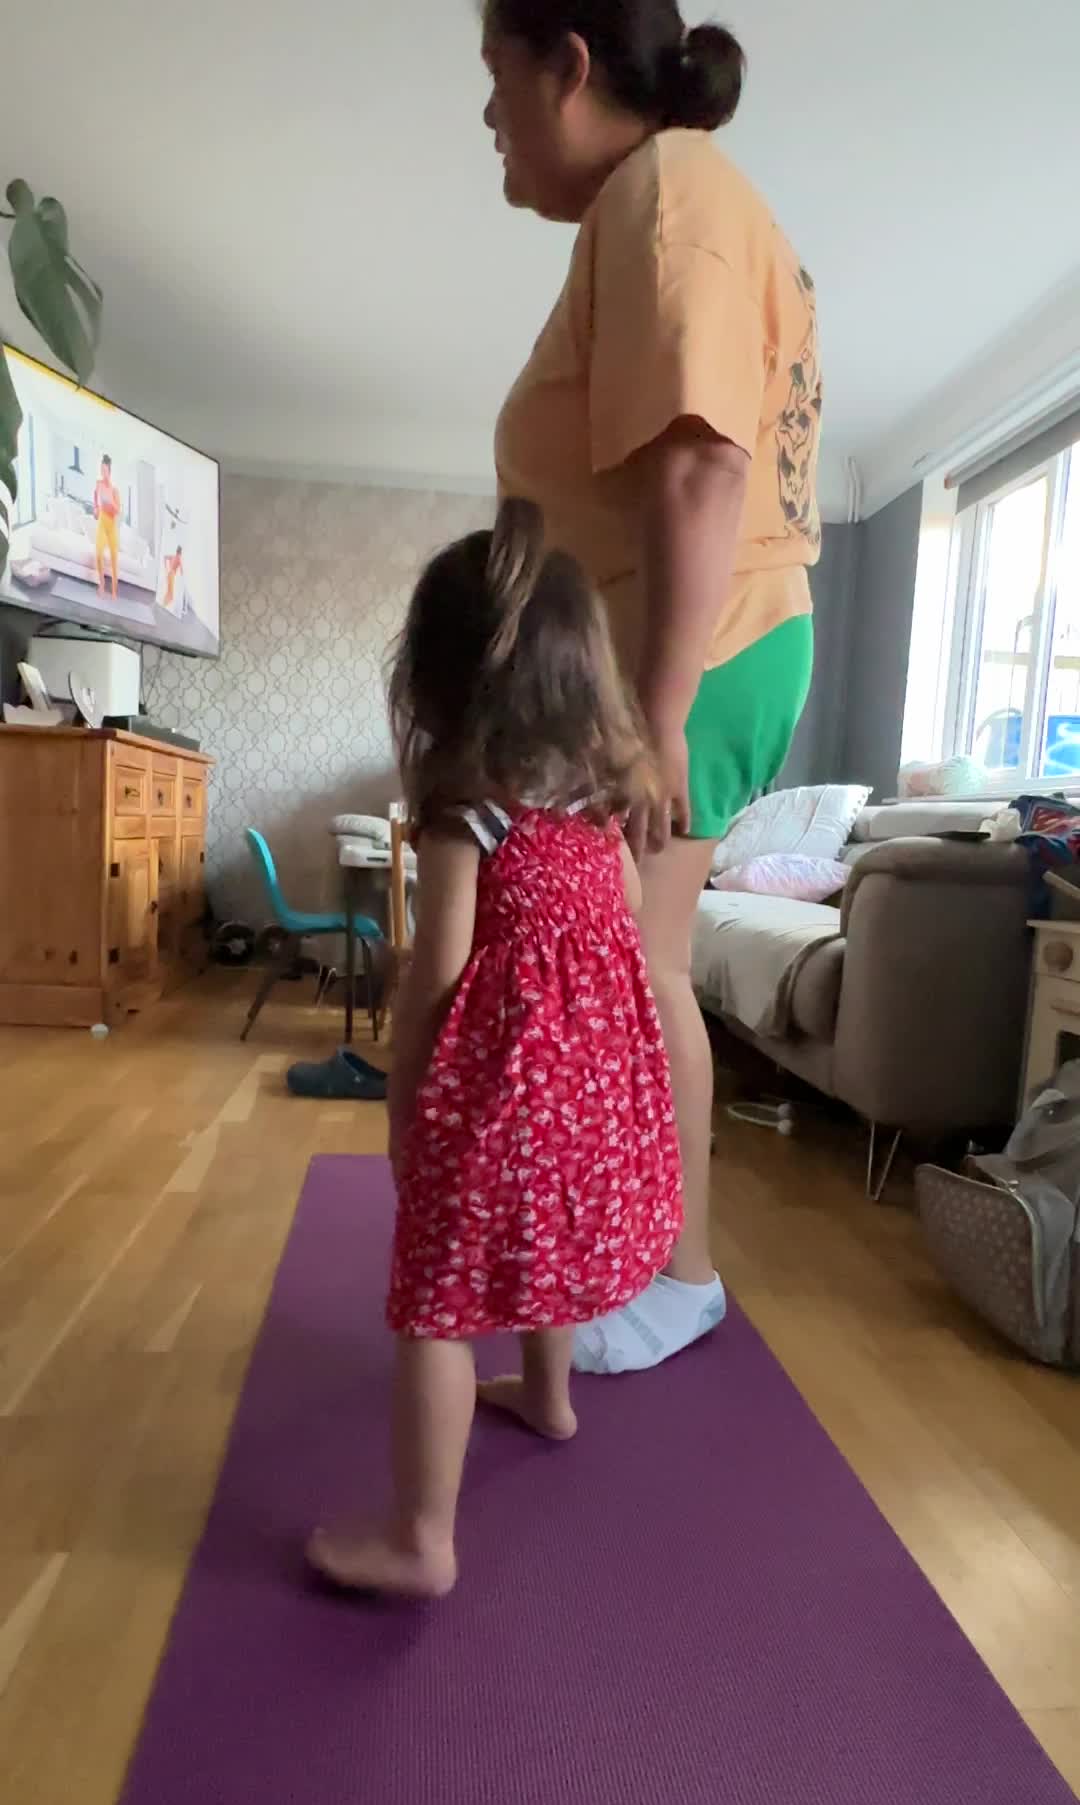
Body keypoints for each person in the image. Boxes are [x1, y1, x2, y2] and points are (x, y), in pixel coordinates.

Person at [483, 0, 822, 1373]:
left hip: (703, 649)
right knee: (634, 965)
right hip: (695, 646)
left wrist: (659, 716)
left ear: (568, 65)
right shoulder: (657, 203)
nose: (488, 117)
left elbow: (700, 464)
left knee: (634, 968)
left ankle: (673, 1277)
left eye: (496, 77)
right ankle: (649, 1266)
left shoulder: (667, 193)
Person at [307, 499, 682, 1599]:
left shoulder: (466, 813)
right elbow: (621, 925)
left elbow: (437, 969)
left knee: (435, 1302)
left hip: (504, 1099)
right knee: (540, 1245)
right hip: (597, 1101)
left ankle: (421, 1540)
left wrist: (406, 1092)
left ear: (439, 684)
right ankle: (550, 1398)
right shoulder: (602, 808)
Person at [93, 454, 122, 599]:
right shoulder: (98, 484)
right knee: (98, 553)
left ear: (109, 471)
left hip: (112, 525)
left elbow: (118, 511)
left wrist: (111, 503)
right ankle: (102, 585)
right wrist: (96, 508)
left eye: (105, 470)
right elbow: (95, 496)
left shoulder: (114, 489)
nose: (102, 473)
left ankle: (115, 590)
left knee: (114, 558)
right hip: (102, 522)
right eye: (101, 470)